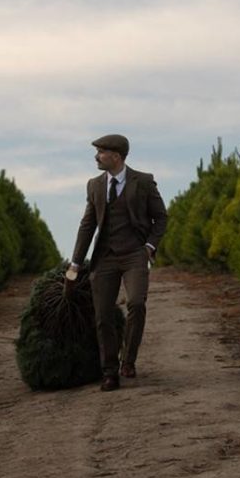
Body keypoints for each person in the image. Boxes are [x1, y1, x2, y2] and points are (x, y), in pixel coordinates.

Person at [67, 134, 168, 391]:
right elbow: (87, 225)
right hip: (105, 257)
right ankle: (109, 371)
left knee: (136, 303)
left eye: (101, 152)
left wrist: (149, 246)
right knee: (103, 315)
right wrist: (76, 263)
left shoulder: (143, 181)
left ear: (117, 155)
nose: (96, 157)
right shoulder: (95, 185)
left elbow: (161, 218)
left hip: (135, 253)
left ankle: (128, 360)